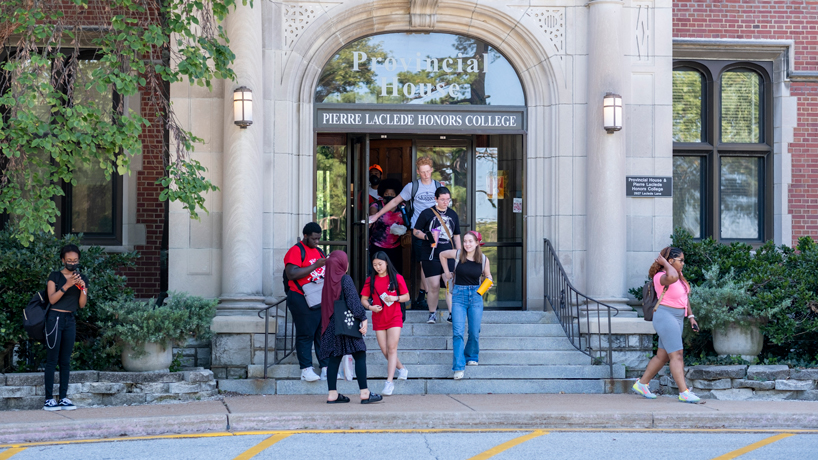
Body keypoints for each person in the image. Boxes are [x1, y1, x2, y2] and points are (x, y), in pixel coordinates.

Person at [369, 157, 441, 311]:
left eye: (428, 171)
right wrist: (376, 216)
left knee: (431, 264)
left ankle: (423, 295)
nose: (426, 174)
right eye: (423, 172)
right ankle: (427, 297)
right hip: (419, 231)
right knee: (424, 263)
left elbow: (446, 206)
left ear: (432, 170)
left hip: (435, 231)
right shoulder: (412, 187)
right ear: (418, 172)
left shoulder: (438, 186)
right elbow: (394, 202)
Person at [633, 247, 701, 403]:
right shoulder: (660, 276)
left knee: (662, 356)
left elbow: (684, 297)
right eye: (680, 260)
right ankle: (684, 392)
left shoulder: (680, 276)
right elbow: (671, 276)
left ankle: (642, 384)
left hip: (678, 317)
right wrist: (664, 263)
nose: (683, 263)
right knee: (676, 355)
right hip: (665, 316)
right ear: (670, 261)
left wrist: (691, 316)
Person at [319, 250, 383, 404]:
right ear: (342, 263)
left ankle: (332, 394)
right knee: (360, 354)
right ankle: (365, 393)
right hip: (347, 324)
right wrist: (363, 318)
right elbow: (354, 301)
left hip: (332, 326)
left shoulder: (327, 281)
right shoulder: (345, 279)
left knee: (334, 359)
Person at [43, 244, 89, 411]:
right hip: (54, 318)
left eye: (75, 260)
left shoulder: (81, 277)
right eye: (69, 260)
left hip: (70, 319)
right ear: (63, 260)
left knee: (65, 361)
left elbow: (82, 305)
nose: (72, 263)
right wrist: (67, 285)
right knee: (52, 360)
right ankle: (48, 399)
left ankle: (63, 397)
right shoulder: (54, 276)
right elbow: (52, 299)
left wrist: (83, 288)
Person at [440, 231, 492, 380]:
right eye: (465, 241)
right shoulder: (457, 254)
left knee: (474, 331)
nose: (467, 244)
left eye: (470, 241)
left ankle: (472, 356)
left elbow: (488, 276)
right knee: (457, 332)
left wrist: (488, 283)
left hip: (476, 296)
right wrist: (447, 273)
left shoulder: (483, 259)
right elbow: (442, 255)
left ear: (477, 243)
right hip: (458, 297)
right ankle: (458, 367)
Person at [284, 222, 330, 382]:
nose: (317, 242)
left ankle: (325, 368)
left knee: (322, 333)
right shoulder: (296, 250)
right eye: (314, 239)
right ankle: (306, 369)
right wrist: (315, 265)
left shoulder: (319, 251)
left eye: (318, 239)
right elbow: (291, 273)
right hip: (300, 297)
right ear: (305, 236)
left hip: (318, 297)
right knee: (306, 334)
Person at [361, 251, 410, 396]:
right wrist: (370, 307)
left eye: (380, 264)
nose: (378, 267)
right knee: (384, 350)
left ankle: (389, 382)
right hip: (378, 316)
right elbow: (363, 299)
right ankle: (401, 368)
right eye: (375, 265)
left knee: (391, 347)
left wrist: (394, 298)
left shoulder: (396, 277)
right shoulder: (371, 280)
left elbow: (406, 296)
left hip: (394, 316)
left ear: (386, 263)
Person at [413, 186, 461, 323]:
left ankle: (452, 314)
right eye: (442, 199)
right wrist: (426, 237)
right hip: (430, 252)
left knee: (449, 283)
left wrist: (459, 254)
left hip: (449, 252)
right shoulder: (426, 213)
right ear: (436, 199)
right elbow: (416, 231)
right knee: (433, 285)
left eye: (448, 199)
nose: (445, 202)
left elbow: (457, 235)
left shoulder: (453, 214)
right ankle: (432, 313)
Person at [368, 178, 405, 271]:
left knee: (394, 273)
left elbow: (408, 222)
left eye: (392, 194)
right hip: (377, 246)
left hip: (395, 248)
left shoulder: (402, 207)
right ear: (382, 194)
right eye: (386, 194)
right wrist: (372, 218)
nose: (389, 196)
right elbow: (372, 213)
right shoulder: (376, 205)